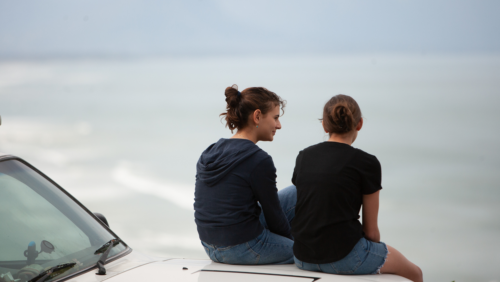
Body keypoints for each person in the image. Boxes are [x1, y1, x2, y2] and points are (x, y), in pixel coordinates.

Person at [291, 95, 423, 282]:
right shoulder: (367, 163)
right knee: (415, 273)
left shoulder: (304, 156)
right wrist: (370, 255)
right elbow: (371, 232)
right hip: (345, 257)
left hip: (302, 257)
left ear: (324, 126)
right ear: (359, 123)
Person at [194, 84, 296, 265]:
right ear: (257, 116)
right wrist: (292, 245)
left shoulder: (209, 151)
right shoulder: (258, 159)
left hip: (209, 245)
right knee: (311, 255)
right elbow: (275, 218)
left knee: (298, 191)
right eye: (275, 118)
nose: (279, 125)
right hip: (241, 247)